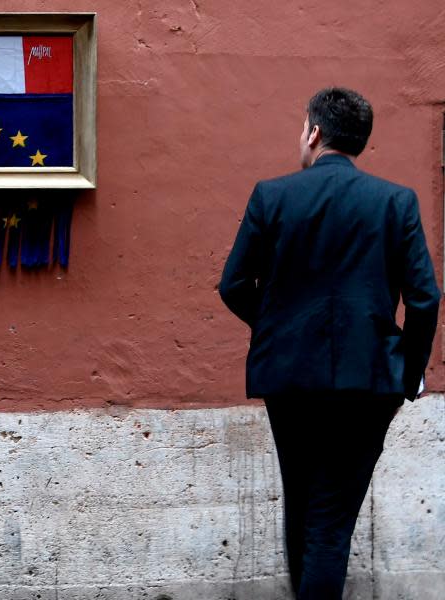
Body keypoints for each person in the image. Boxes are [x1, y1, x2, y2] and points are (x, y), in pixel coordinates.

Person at [218, 87, 441, 599]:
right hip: (368, 383)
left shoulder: (272, 195)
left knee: (302, 504)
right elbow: (425, 299)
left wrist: (278, 331)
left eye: (303, 128)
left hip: (290, 378)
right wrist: (407, 372)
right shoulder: (395, 201)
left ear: (314, 133)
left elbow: (233, 285)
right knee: (330, 519)